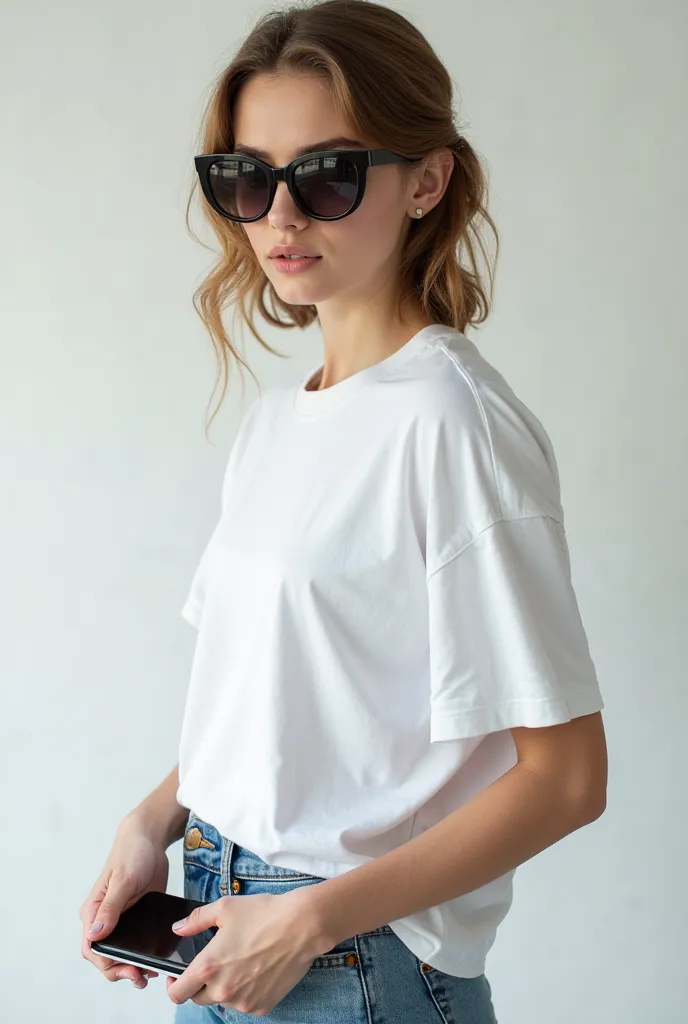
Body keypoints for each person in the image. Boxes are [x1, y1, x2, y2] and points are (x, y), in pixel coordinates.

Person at [79, 1, 608, 1020]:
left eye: (325, 174)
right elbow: (279, 706)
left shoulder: (456, 424)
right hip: (219, 926)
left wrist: (313, 919)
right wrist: (152, 819)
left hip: (353, 960)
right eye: (246, 177)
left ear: (426, 178)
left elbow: (567, 777)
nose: (281, 217)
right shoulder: (279, 422)